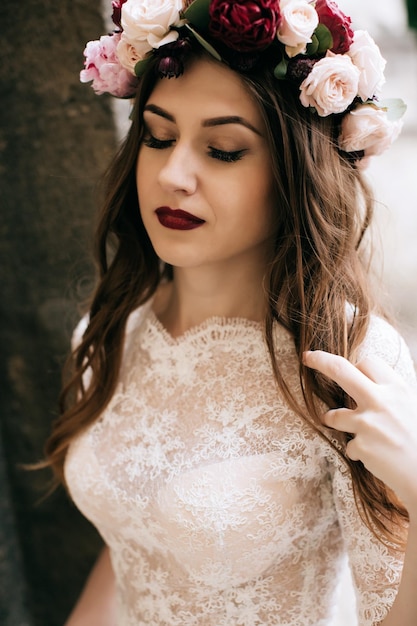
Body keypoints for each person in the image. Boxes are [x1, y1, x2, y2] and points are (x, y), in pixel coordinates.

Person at [45, 1, 417, 624]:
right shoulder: (112, 329)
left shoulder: (347, 359)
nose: (173, 174)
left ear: (298, 171)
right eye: (159, 137)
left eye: (222, 150)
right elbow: (132, 547)